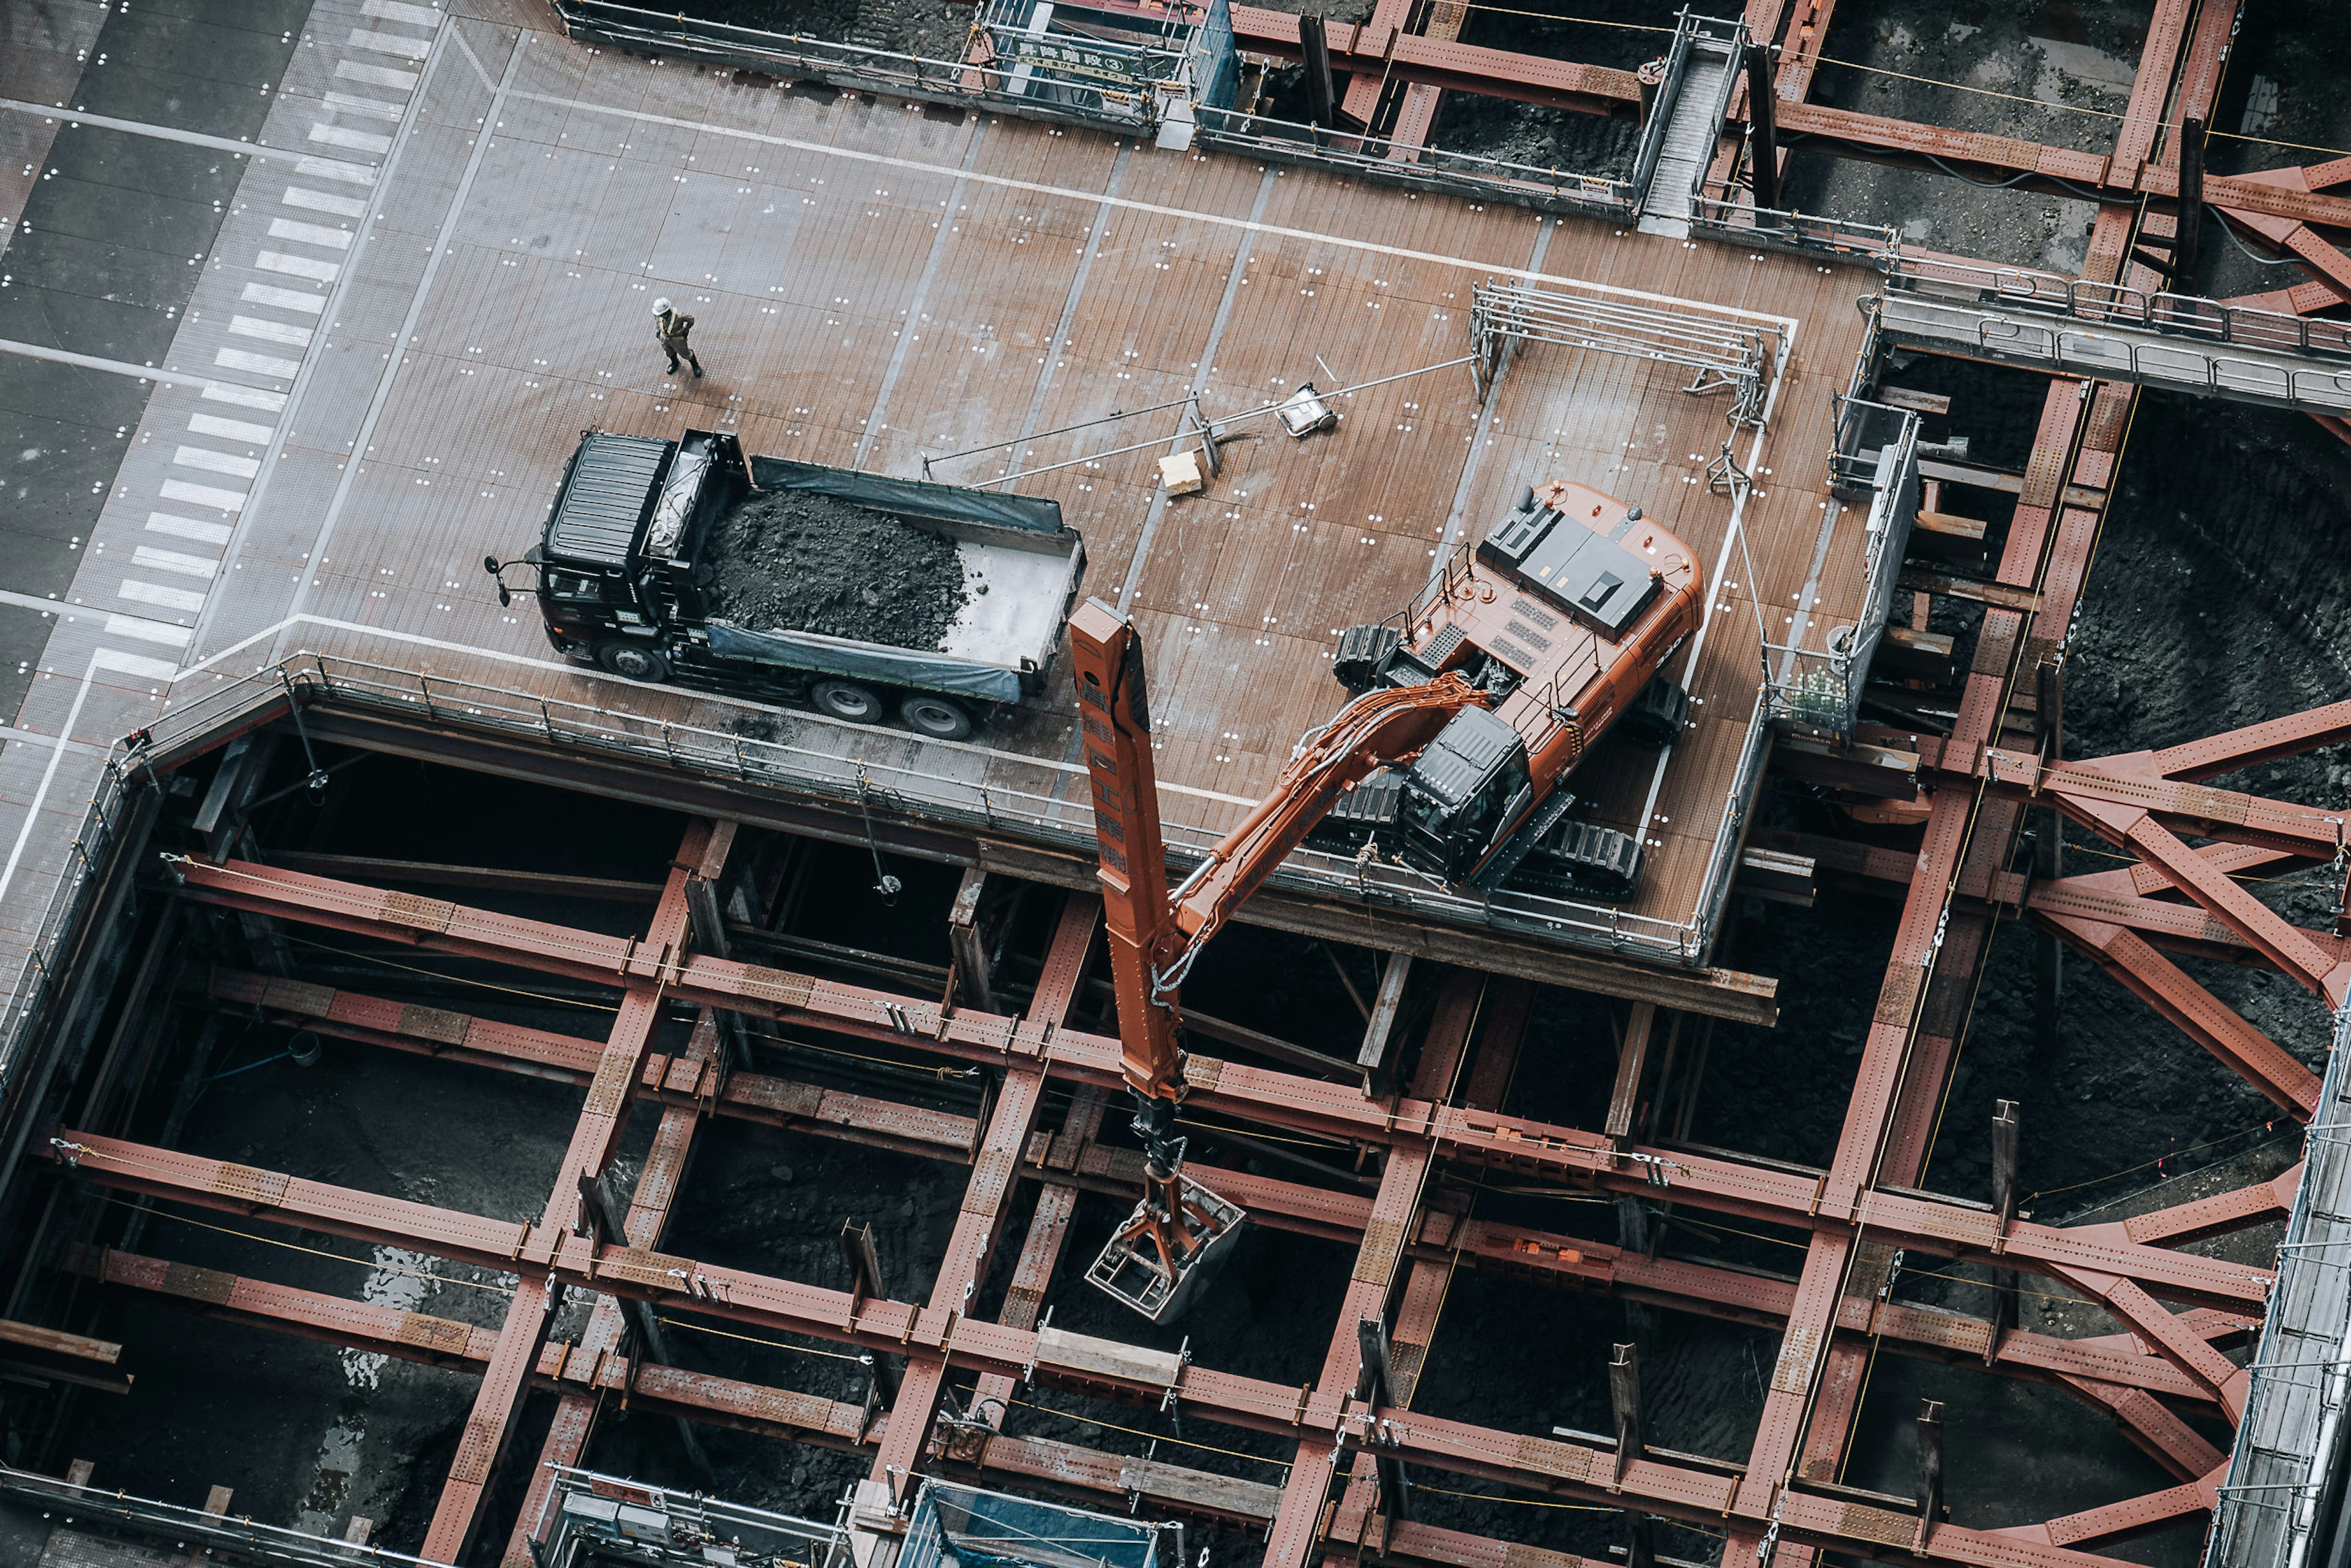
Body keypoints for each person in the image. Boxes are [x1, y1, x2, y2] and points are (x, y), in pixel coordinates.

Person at [652, 298, 703, 378]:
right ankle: (675, 363)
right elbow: (658, 321)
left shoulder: (679, 316)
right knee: (669, 352)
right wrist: (659, 330)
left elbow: (691, 320)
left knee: (686, 353)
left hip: (677, 339)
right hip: (665, 338)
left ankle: (695, 366)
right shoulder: (658, 315)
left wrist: (686, 330)